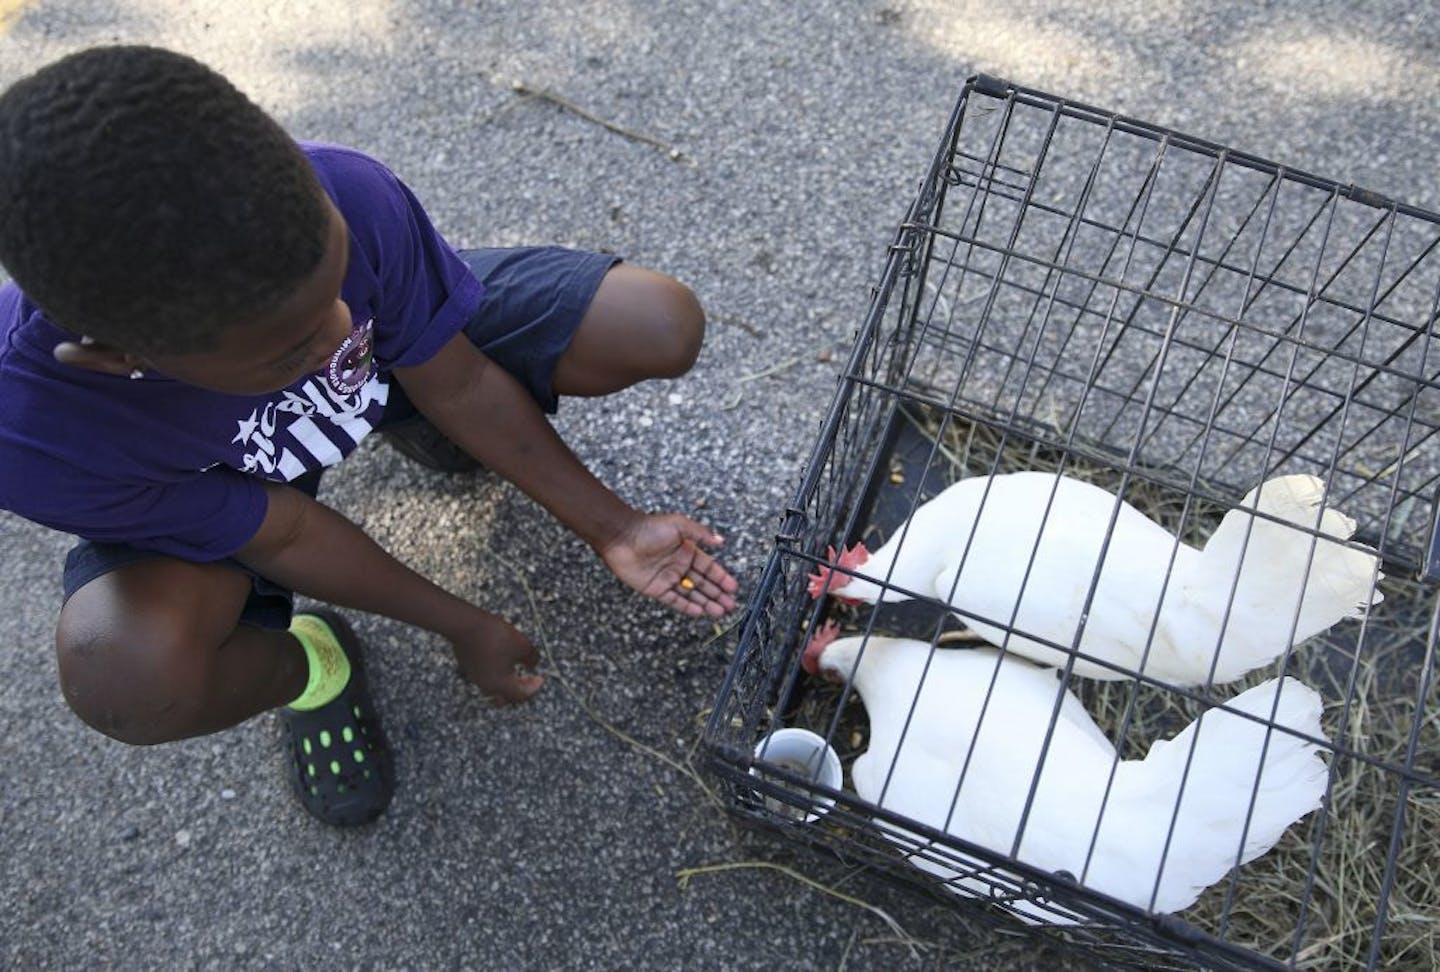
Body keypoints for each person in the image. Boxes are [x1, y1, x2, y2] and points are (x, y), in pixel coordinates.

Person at [0, 45, 738, 827]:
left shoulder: (341, 189)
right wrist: (466, 626)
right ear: (121, 358)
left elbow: (455, 376)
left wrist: (615, 527)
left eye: (336, 279)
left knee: (654, 324)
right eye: (290, 348)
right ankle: (315, 662)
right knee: (126, 678)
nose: (344, 328)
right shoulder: (32, 433)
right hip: (232, 480)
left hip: (364, 382)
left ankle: (417, 427)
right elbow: (284, 532)